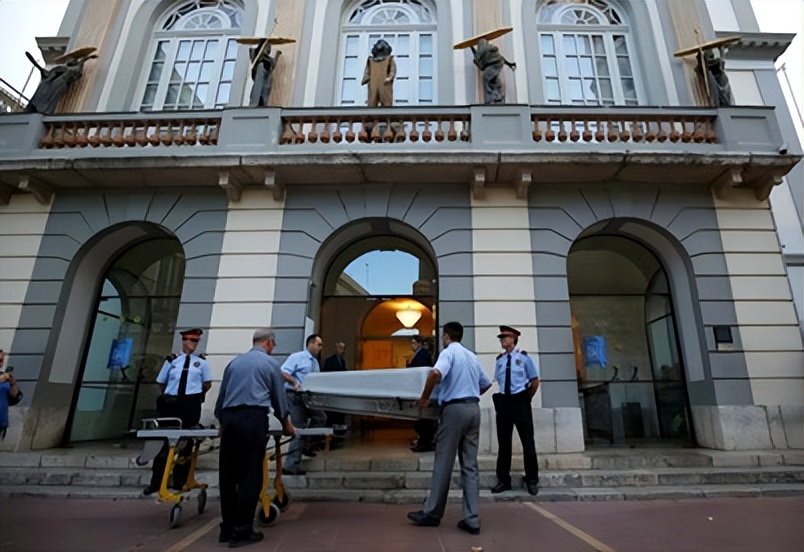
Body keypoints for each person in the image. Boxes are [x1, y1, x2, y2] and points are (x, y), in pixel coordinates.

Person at [407, 322, 491, 536]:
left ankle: (432, 512)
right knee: (470, 466)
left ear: (446, 337)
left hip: (454, 410)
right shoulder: (472, 356)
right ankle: (472, 518)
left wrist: (425, 397)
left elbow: (435, 373)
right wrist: (470, 392)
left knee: (443, 461)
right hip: (473, 408)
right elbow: (486, 383)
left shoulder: (449, 353)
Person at [215, 328, 295, 548]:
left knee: (228, 476)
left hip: (229, 419)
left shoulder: (234, 363)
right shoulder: (270, 364)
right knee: (251, 475)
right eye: (273, 344)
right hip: (252, 418)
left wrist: (222, 423)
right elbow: (279, 399)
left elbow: (222, 397)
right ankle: (242, 530)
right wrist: (287, 425)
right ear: (269, 343)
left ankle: (227, 528)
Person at [143, 328, 212, 496]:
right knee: (163, 444)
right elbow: (161, 382)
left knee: (186, 444)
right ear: (183, 341)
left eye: (196, 341)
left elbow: (207, 383)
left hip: (190, 405)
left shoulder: (201, 363)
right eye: (190, 340)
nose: (193, 344)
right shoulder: (172, 361)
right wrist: (171, 394)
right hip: (171, 404)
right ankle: (156, 482)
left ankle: (180, 481)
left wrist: (194, 395)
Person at [491, 325, 540, 496]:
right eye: (501, 338)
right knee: (504, 443)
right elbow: (498, 380)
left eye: (505, 337)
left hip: (520, 400)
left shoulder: (524, 358)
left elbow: (535, 381)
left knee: (527, 441)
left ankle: (532, 479)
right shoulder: (500, 360)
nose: (502, 340)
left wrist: (526, 398)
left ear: (513, 339)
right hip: (504, 401)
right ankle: (503, 480)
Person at [280, 334, 327, 475]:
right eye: (318, 344)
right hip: (295, 396)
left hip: (308, 396)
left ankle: (306, 445)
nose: (320, 348)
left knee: (321, 418)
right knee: (298, 429)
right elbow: (282, 372)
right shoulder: (297, 357)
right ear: (310, 344)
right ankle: (290, 466)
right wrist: (294, 382)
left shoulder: (315, 362)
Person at [25, 51, 97, 115]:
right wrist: (40, 68)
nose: (70, 60)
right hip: (49, 85)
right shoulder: (60, 68)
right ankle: (33, 108)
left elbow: (77, 71)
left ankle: (43, 110)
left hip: (60, 84)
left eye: (73, 59)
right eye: (69, 59)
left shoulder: (72, 69)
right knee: (42, 96)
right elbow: (48, 74)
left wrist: (85, 59)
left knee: (51, 98)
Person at [408, 336, 436, 453]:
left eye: (414, 343)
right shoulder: (418, 354)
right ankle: (423, 441)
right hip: (419, 389)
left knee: (423, 419)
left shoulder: (422, 354)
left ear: (419, 343)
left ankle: (424, 442)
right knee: (421, 419)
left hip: (421, 389)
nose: (412, 345)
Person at [470, 38, 516, 104]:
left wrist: (471, 47)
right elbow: (501, 57)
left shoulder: (486, 50)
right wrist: (509, 64)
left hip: (494, 64)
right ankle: (498, 97)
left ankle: (491, 97)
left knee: (486, 77)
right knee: (494, 80)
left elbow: (477, 57)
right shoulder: (489, 50)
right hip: (498, 63)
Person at [322, 342, 348, 447]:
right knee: (332, 416)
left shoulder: (342, 360)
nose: (342, 350)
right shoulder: (330, 360)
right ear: (336, 348)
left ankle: (338, 437)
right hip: (332, 390)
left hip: (340, 390)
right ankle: (330, 440)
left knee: (339, 416)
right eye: (340, 348)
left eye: (343, 348)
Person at [361, 39, 396, 107]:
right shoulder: (371, 60)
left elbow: (392, 69)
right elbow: (367, 71)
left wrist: (390, 77)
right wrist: (366, 78)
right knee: (372, 98)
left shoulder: (389, 59)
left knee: (386, 98)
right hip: (373, 82)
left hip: (384, 82)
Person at [248, 40, 282, 107]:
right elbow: (251, 53)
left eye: (269, 47)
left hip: (266, 80)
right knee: (258, 90)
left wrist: (277, 55)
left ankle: (262, 103)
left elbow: (273, 64)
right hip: (260, 78)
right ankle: (255, 103)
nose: (269, 49)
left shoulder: (268, 59)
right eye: (268, 46)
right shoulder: (258, 56)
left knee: (264, 93)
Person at [0, 349, 23, 441]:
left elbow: (14, 398)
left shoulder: (4, 377)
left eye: (1, 360)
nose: (1, 363)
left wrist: (13, 384)